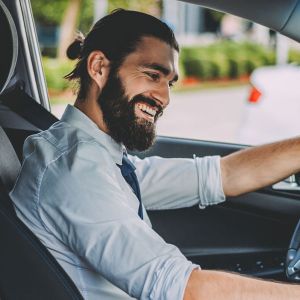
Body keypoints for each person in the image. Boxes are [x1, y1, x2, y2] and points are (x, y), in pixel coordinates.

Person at [10, 9, 300, 300]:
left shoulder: (102, 159)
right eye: (152, 75)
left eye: (169, 82)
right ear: (99, 67)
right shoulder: (75, 173)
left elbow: (222, 175)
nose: (165, 97)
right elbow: (183, 289)